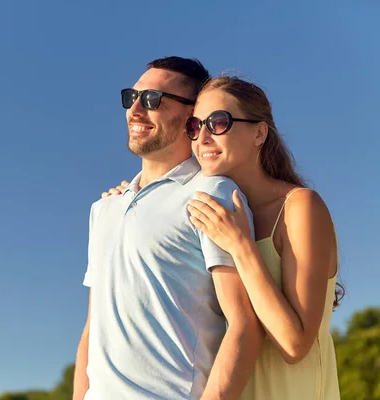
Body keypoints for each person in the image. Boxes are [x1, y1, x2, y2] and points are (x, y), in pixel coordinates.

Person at [105, 76, 342, 399]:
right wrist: (133, 198)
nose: (202, 137)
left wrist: (240, 245)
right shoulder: (214, 213)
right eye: (194, 126)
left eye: (218, 123)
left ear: (259, 133)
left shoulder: (299, 207)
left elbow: (294, 345)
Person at [73, 58, 264, 400]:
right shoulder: (103, 209)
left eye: (152, 100)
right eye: (131, 97)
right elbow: (93, 328)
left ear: (192, 116)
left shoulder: (211, 192)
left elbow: (245, 326)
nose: (134, 110)